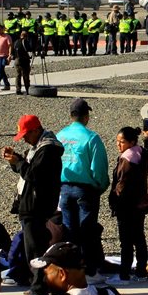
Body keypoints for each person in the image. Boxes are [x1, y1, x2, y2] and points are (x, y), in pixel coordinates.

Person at [3, 114, 64, 292]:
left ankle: (38, 288)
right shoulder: (39, 147)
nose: (25, 140)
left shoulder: (47, 149)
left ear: (36, 130)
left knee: (35, 250)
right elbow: (28, 171)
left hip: (36, 206)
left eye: (26, 135)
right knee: (35, 247)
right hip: (33, 204)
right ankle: (38, 283)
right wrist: (15, 160)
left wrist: (19, 162)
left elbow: (34, 175)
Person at [57, 98, 110, 280]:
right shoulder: (91, 138)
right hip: (85, 189)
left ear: (71, 115)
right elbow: (99, 169)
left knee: (69, 233)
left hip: (64, 188)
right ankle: (89, 271)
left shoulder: (60, 136)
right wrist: (100, 187)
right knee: (88, 231)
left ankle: (71, 270)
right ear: (86, 116)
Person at [108, 126, 148, 282]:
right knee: (139, 238)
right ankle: (141, 271)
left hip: (126, 206)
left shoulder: (127, 159)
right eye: (117, 141)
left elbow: (121, 184)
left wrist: (114, 201)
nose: (118, 145)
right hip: (140, 204)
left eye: (122, 142)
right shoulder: (140, 153)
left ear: (131, 142)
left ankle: (124, 274)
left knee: (126, 242)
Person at [14, 28, 33, 95]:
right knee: (25, 75)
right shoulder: (25, 42)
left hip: (17, 60)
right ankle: (27, 89)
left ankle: (18, 89)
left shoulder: (16, 42)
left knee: (18, 75)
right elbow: (29, 50)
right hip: (24, 60)